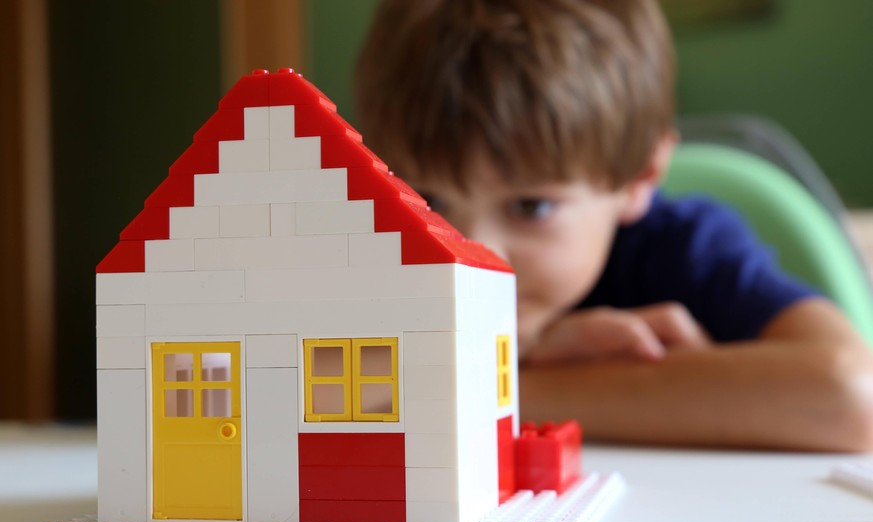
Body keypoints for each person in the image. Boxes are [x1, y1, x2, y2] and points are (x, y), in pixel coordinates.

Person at [354, 0, 873, 450]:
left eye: (531, 207)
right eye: (425, 197)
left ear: (639, 176)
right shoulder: (372, 248)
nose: (467, 251)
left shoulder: (689, 248)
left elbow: (854, 394)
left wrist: (500, 388)